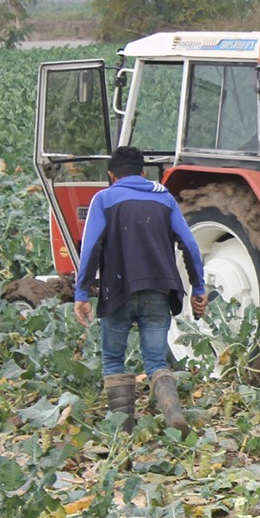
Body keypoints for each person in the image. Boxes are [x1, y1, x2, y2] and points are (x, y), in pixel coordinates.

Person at [74, 146, 208, 436]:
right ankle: (172, 411)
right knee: (157, 361)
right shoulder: (164, 198)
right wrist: (199, 287)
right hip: (159, 291)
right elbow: (191, 245)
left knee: (113, 359)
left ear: (112, 175)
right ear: (143, 173)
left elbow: (91, 248)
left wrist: (82, 293)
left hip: (118, 291)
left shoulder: (104, 199)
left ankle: (123, 435)